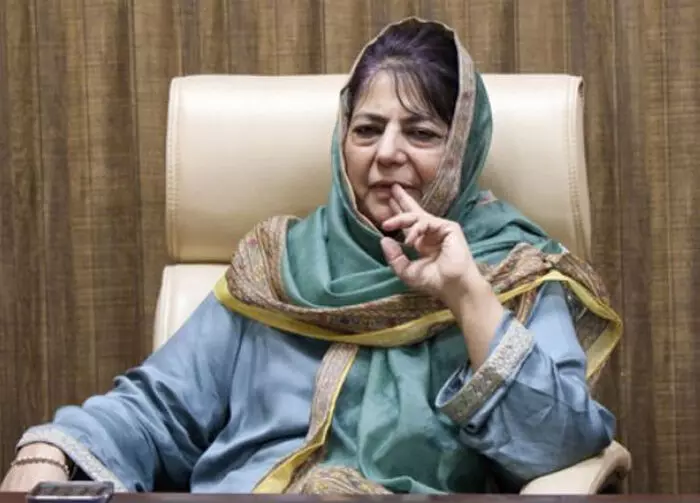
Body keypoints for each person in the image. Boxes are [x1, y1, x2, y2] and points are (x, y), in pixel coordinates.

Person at [1, 17, 622, 495]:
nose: (387, 153)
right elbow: (159, 409)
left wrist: (468, 296)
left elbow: (558, 445)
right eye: (367, 129)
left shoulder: (513, 271)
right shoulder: (276, 266)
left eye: (422, 133)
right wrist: (52, 451)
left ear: (465, 148)